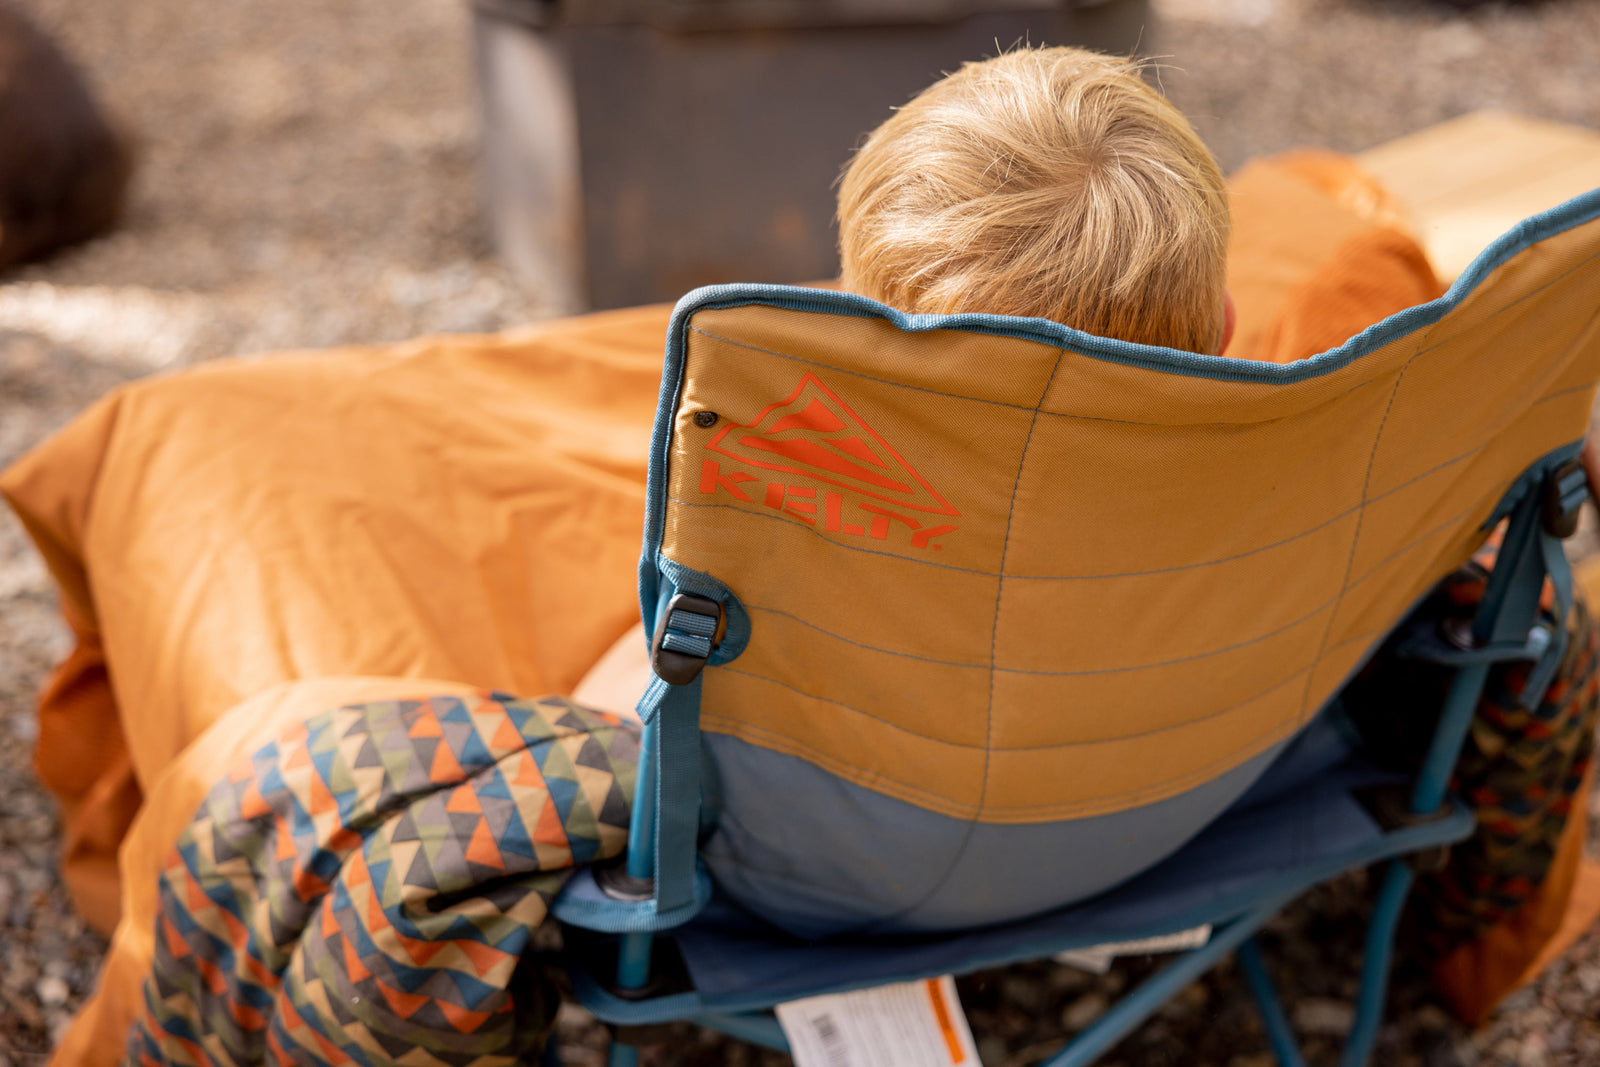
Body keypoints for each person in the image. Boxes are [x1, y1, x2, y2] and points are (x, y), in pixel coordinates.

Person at [4, 46, 1592, 1066]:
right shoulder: (1326, 479)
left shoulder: (790, 504)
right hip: (1204, 783)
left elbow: (652, 720)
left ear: (869, 339)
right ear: (1229, 321)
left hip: (812, 869)